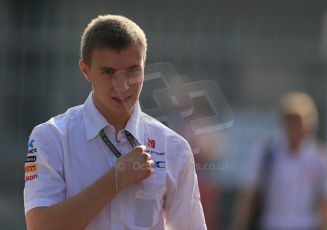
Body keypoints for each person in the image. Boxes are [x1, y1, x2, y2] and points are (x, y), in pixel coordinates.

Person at [23, 14, 206, 230]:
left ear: (144, 66)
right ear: (86, 70)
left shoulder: (174, 147)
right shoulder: (50, 136)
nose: (122, 85)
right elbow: (41, 226)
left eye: (132, 71)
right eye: (109, 72)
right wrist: (117, 178)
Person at [233, 91, 327, 230]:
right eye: (289, 119)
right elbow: (250, 195)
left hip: (306, 226)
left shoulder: (322, 156)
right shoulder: (266, 154)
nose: (293, 126)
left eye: (298, 119)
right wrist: (240, 225)